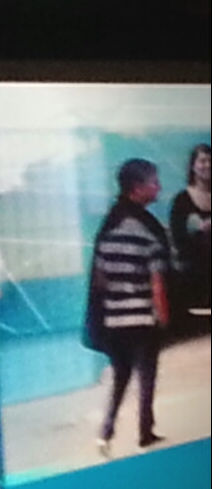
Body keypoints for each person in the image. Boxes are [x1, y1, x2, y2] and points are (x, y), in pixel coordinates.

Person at [86, 159, 172, 454]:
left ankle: (106, 431)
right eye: (153, 182)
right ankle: (145, 432)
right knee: (147, 374)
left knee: (121, 376)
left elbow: (100, 278)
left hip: (115, 319)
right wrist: (163, 315)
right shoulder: (147, 230)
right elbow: (157, 282)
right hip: (143, 317)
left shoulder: (109, 226)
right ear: (137, 188)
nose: (158, 187)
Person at [168, 143, 211, 327]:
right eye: (202, 161)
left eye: (211, 160)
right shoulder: (182, 201)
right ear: (193, 165)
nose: (207, 165)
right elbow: (177, 238)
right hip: (193, 276)